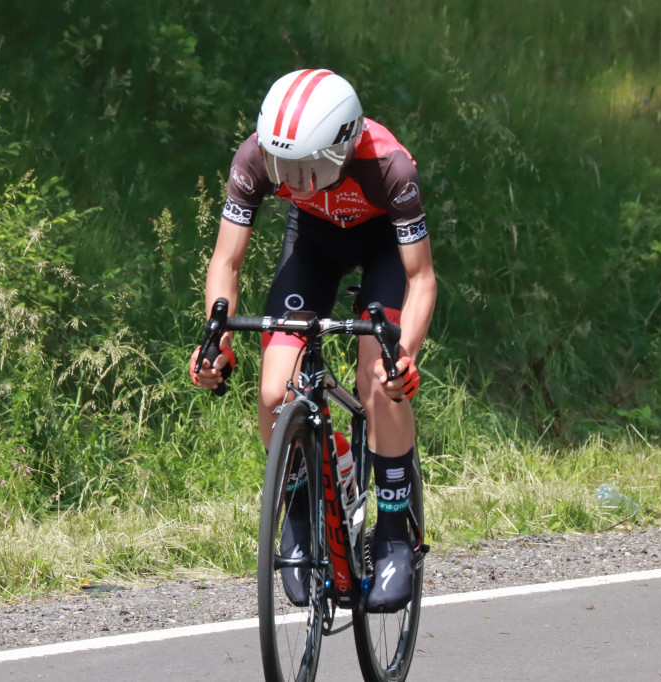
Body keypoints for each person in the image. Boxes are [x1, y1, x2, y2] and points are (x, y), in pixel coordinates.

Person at [190, 68, 436, 613]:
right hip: (313, 248)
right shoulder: (256, 156)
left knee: (378, 381)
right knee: (276, 393)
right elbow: (226, 261)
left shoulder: (390, 167)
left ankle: (394, 532)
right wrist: (215, 339)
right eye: (285, 169)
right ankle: (301, 502)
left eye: (310, 168)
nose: (295, 183)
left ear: (344, 147)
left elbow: (421, 279)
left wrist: (406, 355)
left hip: (383, 254)